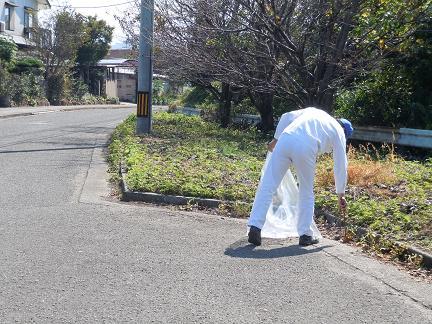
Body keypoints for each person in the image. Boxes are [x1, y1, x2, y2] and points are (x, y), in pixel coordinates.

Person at [247, 107, 353, 246]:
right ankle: (305, 234)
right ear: (345, 132)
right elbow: (340, 163)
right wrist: (341, 192)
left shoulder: (315, 112)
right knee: (306, 190)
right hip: (306, 146)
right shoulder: (339, 131)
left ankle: (255, 227)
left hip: (285, 139)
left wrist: (275, 139)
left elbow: (286, 116)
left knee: (268, 185)